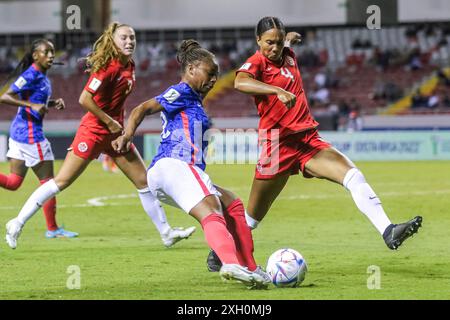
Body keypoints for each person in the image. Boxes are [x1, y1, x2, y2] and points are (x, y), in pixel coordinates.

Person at [207, 16, 423, 271]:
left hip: (308, 140)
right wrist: (276, 90)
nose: (274, 48)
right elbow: (239, 82)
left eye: (277, 42)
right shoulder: (256, 63)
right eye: (268, 43)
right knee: (253, 217)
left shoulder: (287, 53)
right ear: (258, 41)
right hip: (276, 146)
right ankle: (221, 251)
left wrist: (289, 38)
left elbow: (285, 42)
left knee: (353, 176)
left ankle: (388, 230)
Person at [5, 22, 195, 250]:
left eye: (132, 38)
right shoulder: (109, 68)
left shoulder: (130, 65)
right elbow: (84, 99)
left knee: (144, 182)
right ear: (113, 41)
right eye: (124, 38)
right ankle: (16, 223)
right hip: (94, 131)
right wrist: (110, 122)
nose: (129, 42)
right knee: (61, 182)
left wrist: (118, 127)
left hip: (115, 134)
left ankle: (166, 234)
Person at [111, 39, 270, 288]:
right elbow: (140, 109)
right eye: (210, 73)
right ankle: (230, 263)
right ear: (192, 68)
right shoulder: (183, 91)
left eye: (217, 75)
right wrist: (127, 136)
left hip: (172, 174)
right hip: (175, 165)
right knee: (212, 208)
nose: (214, 80)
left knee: (232, 204)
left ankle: (250, 268)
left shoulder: (194, 100)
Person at [0, 39, 78, 239]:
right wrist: (30, 106)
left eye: (53, 52)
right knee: (49, 184)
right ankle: (52, 229)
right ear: (36, 55)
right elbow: (5, 96)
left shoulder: (42, 76)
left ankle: (52, 229)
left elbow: (37, 100)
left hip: (19, 134)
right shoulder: (31, 74)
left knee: (14, 182)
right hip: (31, 136)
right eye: (47, 52)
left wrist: (50, 103)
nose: (52, 55)